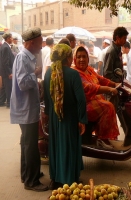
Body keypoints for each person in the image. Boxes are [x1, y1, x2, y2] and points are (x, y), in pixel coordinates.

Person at [43, 44, 87, 188]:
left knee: (56, 147)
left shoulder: (49, 73)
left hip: (55, 117)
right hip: (70, 117)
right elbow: (80, 99)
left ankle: (55, 178)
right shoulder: (73, 74)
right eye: (70, 56)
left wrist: (49, 115)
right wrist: (82, 119)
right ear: (67, 58)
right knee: (69, 146)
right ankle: (70, 179)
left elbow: (47, 98)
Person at [10, 27, 48, 191]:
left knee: (27, 143)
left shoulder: (27, 57)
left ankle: (29, 174)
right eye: (40, 43)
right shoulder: (23, 58)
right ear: (32, 43)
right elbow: (23, 83)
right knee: (30, 145)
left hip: (28, 108)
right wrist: (36, 74)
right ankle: (31, 181)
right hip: (25, 109)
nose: (41, 46)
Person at [71, 46, 119, 148]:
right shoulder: (75, 73)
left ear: (88, 58)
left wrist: (114, 84)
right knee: (108, 107)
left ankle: (103, 136)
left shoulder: (89, 69)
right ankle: (103, 139)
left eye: (84, 56)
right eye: (79, 57)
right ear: (74, 59)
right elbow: (89, 87)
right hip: (83, 106)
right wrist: (108, 89)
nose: (82, 59)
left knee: (108, 104)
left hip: (93, 101)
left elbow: (100, 79)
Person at [0, 33, 15, 108]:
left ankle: (2, 101)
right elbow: (5, 61)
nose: (12, 39)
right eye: (11, 38)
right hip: (7, 72)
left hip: (4, 71)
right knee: (8, 87)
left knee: (5, 87)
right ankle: (9, 103)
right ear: (8, 38)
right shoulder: (5, 47)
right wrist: (9, 73)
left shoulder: (5, 46)